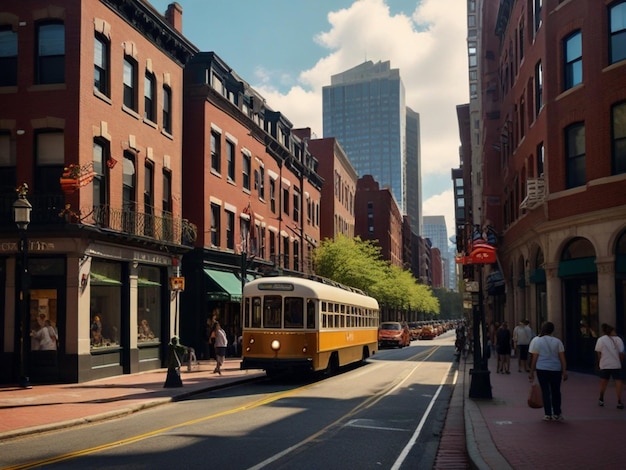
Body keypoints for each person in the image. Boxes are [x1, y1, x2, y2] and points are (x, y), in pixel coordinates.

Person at [528, 321, 568, 421]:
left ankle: (548, 414)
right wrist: (564, 371)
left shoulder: (536, 341)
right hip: (555, 369)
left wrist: (531, 371)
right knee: (556, 391)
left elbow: (534, 357)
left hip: (542, 368)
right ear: (552, 330)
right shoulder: (557, 342)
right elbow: (562, 358)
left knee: (545, 391)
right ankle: (557, 413)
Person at [595, 323, 624, 409]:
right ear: (611, 331)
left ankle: (601, 398)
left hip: (605, 364)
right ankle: (619, 400)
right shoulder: (618, 340)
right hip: (616, 364)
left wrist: (600, 362)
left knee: (604, 382)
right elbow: (621, 353)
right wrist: (621, 362)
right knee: (618, 382)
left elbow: (599, 352)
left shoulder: (600, 340)